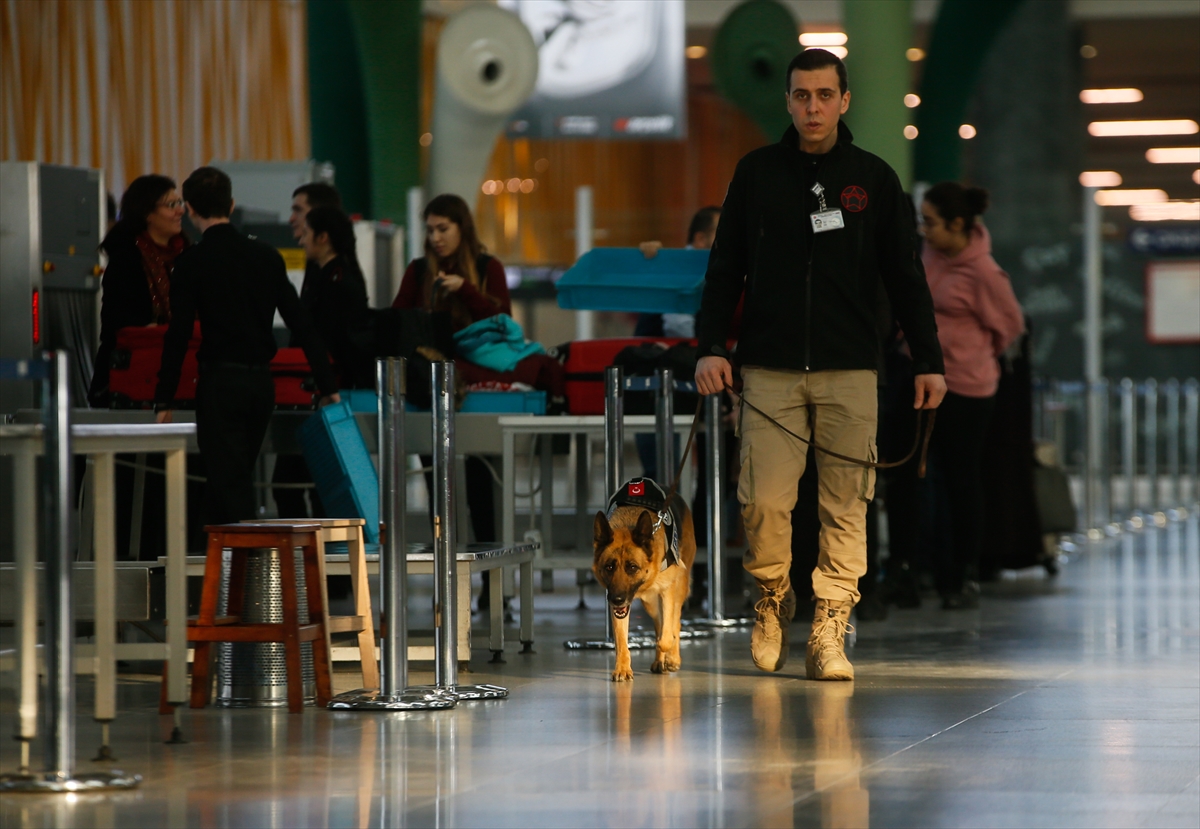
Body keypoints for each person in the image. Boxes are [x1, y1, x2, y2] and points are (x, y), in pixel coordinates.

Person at [694, 49, 946, 681]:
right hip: (770, 369)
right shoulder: (755, 174)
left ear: (844, 100)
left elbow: (907, 277)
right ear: (787, 101)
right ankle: (773, 602)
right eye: (802, 96)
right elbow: (724, 269)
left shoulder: (875, 179)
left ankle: (831, 629)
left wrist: (928, 360)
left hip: (851, 367)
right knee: (764, 503)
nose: (813, 107)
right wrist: (710, 346)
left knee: (846, 503)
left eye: (824, 95)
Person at [154, 167, 340, 525]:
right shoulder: (266, 257)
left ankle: (234, 569)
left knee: (227, 482)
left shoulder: (191, 263)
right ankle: (226, 569)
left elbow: (178, 335)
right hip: (260, 386)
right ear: (232, 204)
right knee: (234, 478)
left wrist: (164, 397)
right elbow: (301, 323)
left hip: (219, 385)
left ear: (190, 209)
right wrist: (328, 385)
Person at [919, 182, 1024, 609]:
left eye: (930, 222)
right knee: (926, 480)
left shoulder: (984, 273)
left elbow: (1011, 325)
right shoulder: (928, 255)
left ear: (957, 225)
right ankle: (927, 566)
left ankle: (961, 573)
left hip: (966, 388)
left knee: (961, 480)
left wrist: (970, 356)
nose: (923, 230)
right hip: (923, 382)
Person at [273, 182, 346, 519]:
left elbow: (320, 336)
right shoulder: (319, 268)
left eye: (298, 210)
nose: (291, 219)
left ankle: (318, 567)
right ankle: (311, 565)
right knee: (293, 485)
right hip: (309, 388)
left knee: (306, 486)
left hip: (320, 391)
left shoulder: (335, 274)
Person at [88, 175, 188, 407]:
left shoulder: (187, 256)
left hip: (180, 374)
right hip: (131, 375)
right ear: (147, 213)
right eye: (171, 205)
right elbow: (116, 323)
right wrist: (153, 331)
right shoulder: (126, 258)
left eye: (180, 203)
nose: (180, 211)